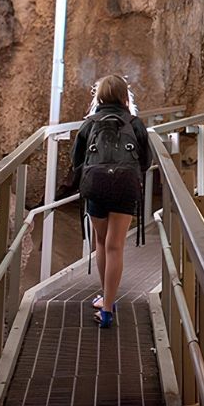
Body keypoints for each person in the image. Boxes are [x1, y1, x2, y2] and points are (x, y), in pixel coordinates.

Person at [65, 74, 150, 328]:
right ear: (126, 97)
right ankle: (108, 307)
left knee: (101, 243)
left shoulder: (89, 124)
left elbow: (76, 161)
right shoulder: (134, 123)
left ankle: (105, 298)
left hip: (97, 185)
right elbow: (146, 161)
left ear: (98, 97)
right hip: (125, 186)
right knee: (116, 246)